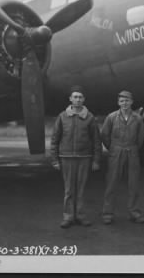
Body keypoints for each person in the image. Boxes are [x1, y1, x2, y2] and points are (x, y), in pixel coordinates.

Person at [50, 85, 102, 228]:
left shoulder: (90, 118)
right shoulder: (62, 117)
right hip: (66, 157)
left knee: (81, 189)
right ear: (70, 99)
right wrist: (54, 159)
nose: (78, 99)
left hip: (84, 157)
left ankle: (80, 215)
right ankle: (68, 217)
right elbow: (55, 139)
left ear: (84, 99)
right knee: (68, 190)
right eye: (75, 97)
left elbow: (96, 140)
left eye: (80, 97)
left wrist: (96, 160)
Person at [101, 91, 144, 224]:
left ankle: (134, 212)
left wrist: (133, 148)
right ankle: (107, 213)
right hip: (116, 150)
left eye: (127, 101)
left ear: (132, 102)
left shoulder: (137, 118)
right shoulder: (111, 117)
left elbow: (140, 138)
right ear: (118, 103)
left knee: (133, 183)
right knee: (112, 183)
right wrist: (113, 148)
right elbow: (104, 135)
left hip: (132, 151)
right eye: (122, 101)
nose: (124, 103)